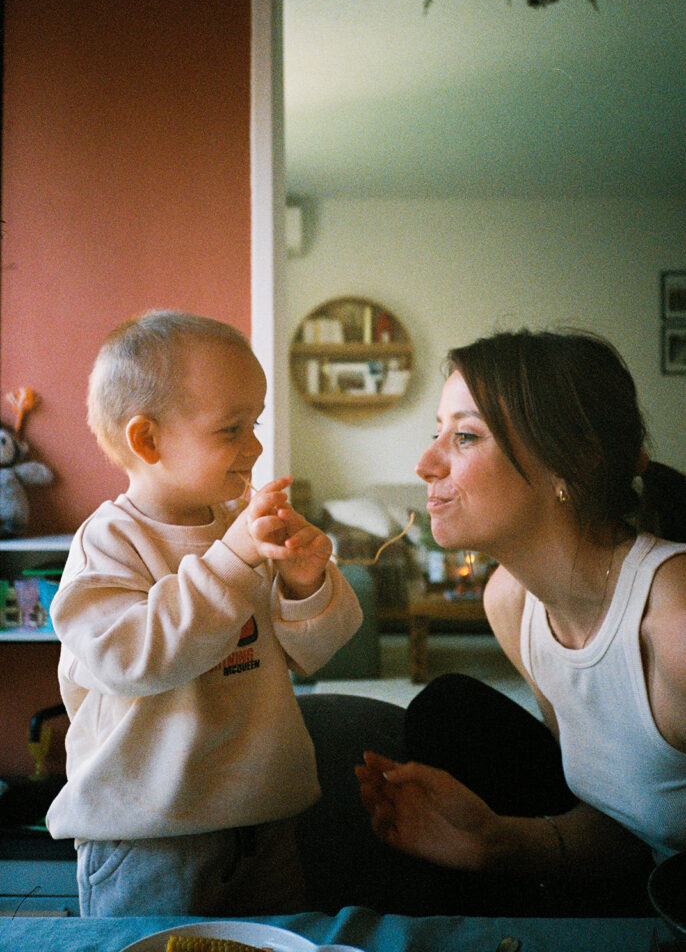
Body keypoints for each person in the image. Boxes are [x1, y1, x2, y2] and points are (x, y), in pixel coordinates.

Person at [357, 328, 686, 916]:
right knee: (449, 707)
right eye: (437, 433)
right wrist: (495, 843)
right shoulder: (510, 602)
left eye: (465, 436)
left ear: (572, 462)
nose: (425, 464)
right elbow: (625, 827)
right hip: (648, 888)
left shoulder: (674, 624)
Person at [46, 310, 362, 918]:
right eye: (231, 428)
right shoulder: (108, 543)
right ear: (147, 440)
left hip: (265, 823)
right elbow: (129, 660)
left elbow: (315, 652)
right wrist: (233, 560)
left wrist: (306, 584)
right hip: (149, 838)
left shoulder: (239, 529)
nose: (256, 446)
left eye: (255, 423)